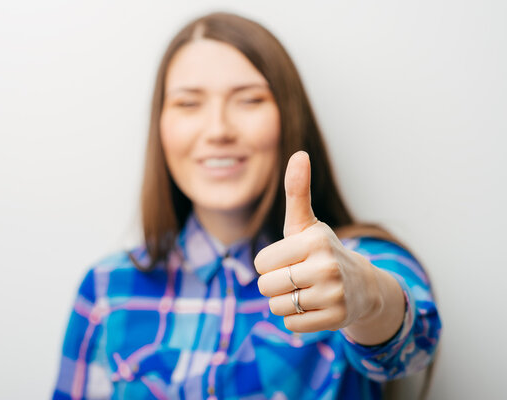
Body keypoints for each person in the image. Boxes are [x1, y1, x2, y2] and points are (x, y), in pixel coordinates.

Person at [52, 12, 441, 400]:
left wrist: (367, 296)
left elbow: (414, 344)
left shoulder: (351, 264)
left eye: (249, 100)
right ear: (161, 127)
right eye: (189, 104)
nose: (219, 130)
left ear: (288, 118)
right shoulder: (106, 288)